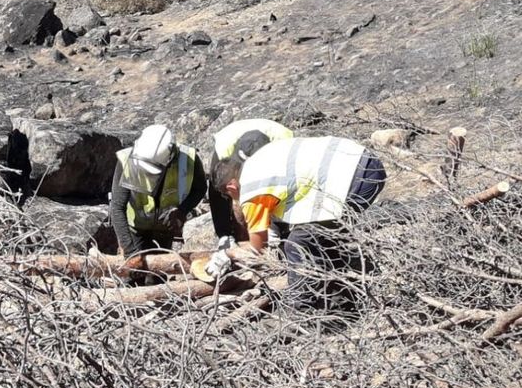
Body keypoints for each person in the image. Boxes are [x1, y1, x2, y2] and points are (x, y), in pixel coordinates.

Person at [208, 135, 386, 313]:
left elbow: (257, 249)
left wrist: (228, 254)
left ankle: (301, 311)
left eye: (228, 197)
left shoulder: (251, 188)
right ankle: (343, 305)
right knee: (319, 239)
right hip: (362, 163)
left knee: (298, 243)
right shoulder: (258, 163)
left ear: (231, 188)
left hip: (356, 176)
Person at [110, 124, 206, 264]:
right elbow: (117, 207)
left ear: (169, 159)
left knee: (159, 275)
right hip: (135, 228)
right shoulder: (126, 161)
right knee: (133, 275)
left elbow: (200, 188)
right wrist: (129, 250)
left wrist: (182, 211)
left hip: (165, 228)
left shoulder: (188, 160)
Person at [207, 119, 294, 243]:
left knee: (275, 189)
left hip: (276, 141)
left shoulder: (284, 149)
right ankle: (227, 235)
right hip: (232, 139)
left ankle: (279, 231)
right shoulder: (224, 151)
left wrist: (275, 227)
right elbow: (217, 196)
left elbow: (282, 190)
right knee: (220, 186)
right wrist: (224, 233)